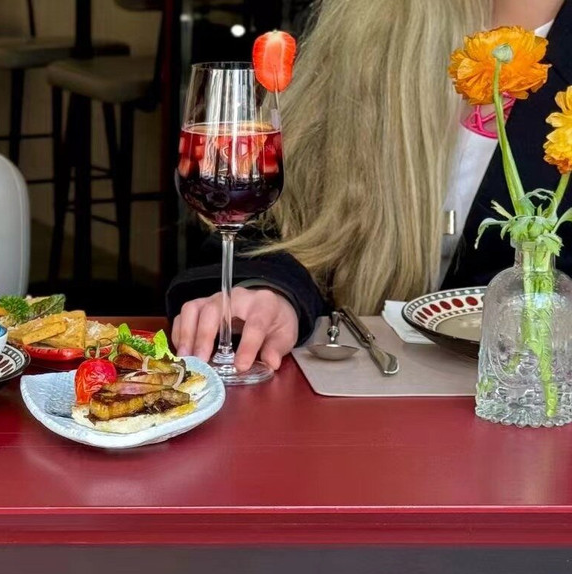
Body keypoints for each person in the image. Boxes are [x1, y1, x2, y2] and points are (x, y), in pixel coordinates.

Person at [168, 0, 570, 370]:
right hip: (358, 384)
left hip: (533, 393)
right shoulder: (367, 27)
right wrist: (271, 294)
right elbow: (283, 220)